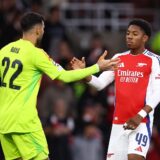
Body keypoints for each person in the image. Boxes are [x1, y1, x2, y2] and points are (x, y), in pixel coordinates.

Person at [0, 12, 119, 160]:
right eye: (43, 28)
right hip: (24, 123)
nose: (44, 31)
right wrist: (97, 67)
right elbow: (64, 76)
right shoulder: (36, 54)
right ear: (38, 30)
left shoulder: (4, 50)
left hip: (4, 122)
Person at [70, 19, 160, 160]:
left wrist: (140, 115)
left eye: (135, 34)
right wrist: (84, 73)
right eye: (128, 33)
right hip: (119, 123)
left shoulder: (154, 60)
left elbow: (158, 92)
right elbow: (100, 84)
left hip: (141, 122)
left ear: (145, 38)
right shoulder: (119, 58)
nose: (129, 36)